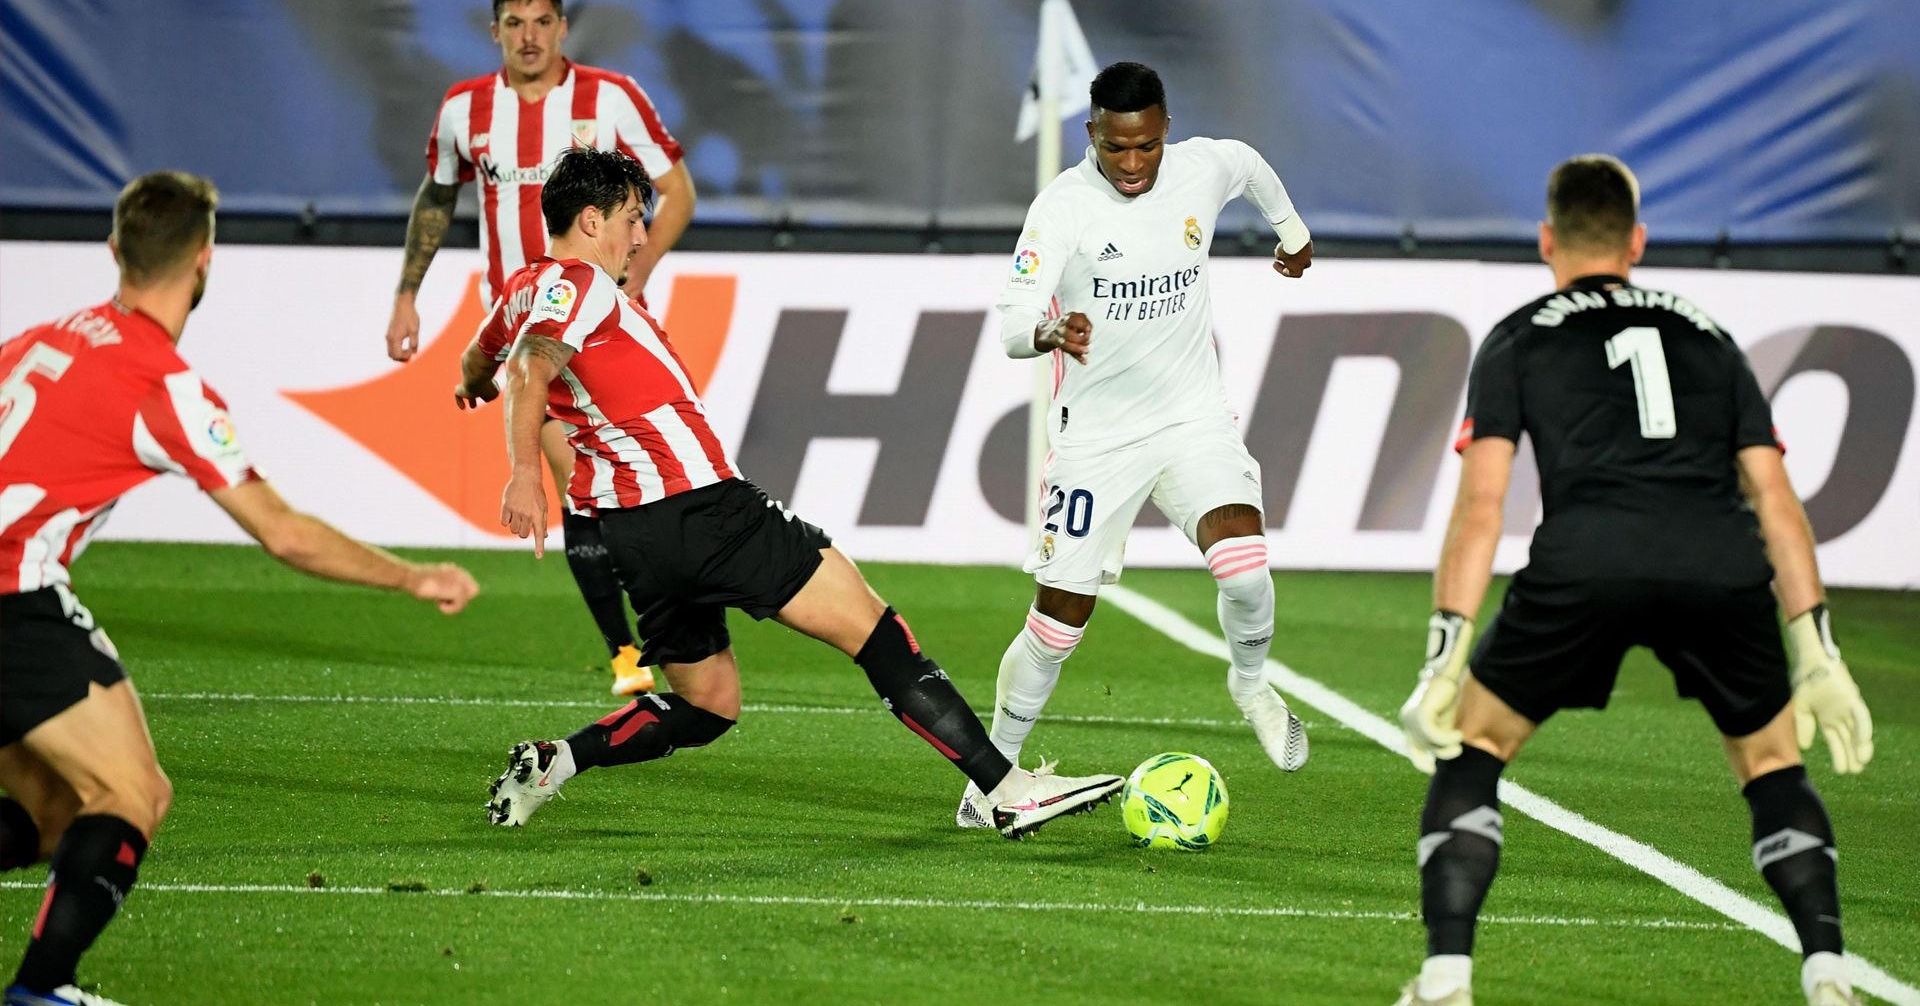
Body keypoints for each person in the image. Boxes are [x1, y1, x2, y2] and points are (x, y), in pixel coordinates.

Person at [454, 146, 1122, 838]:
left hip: (636, 537)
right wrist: (526, 471)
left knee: (709, 705)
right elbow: (531, 366)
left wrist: (472, 385)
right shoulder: (581, 285)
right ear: (590, 220)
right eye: (632, 216)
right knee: (879, 634)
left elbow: (485, 357)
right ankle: (1005, 789)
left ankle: (554, 762)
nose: (642, 234)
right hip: (700, 509)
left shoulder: (523, 290)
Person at [1394, 155, 1874, 1006]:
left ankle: (1444, 981)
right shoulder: (1711, 336)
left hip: (1589, 558)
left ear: (1549, 240)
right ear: (1637, 242)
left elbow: (1482, 508)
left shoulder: (1518, 334)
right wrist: (1818, 648)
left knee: (1473, 751)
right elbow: (1774, 498)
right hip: (1719, 563)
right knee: (1772, 765)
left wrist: (1445, 651)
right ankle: (1829, 971)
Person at [0, 172, 480, 1006]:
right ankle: (41, 992)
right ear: (205, 260)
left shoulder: (37, 340)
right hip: (13, 596)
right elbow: (284, 532)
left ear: (115, 251)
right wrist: (413, 576)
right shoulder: (162, 383)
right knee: (132, 793)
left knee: (49, 812)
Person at [959, 61, 1316, 827]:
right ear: (1092, 134)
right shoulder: (1062, 207)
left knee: (1246, 568)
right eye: (1116, 148)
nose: (1131, 164)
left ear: (1165, 133)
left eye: (1146, 147)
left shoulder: (1200, 169)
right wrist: (1051, 329)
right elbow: (1011, 316)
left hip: (1192, 417)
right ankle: (991, 776)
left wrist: (1293, 234)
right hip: (1097, 439)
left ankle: (1251, 685)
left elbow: (1250, 165)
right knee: (1057, 626)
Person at [383, 0, 699, 698]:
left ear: (562, 28)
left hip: (611, 327)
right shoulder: (467, 109)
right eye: (514, 23)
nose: (529, 37)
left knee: (647, 482)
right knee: (580, 493)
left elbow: (676, 188)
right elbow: (437, 196)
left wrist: (639, 275)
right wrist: (407, 294)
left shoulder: (610, 99)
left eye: (542, 21)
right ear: (495, 32)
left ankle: (671, 626)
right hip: (532, 335)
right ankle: (626, 653)